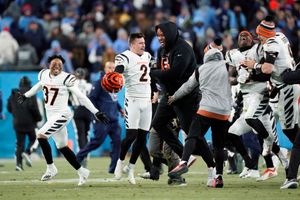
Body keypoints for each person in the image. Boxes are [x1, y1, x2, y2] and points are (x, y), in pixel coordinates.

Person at [17, 55, 109, 186]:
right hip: (51, 116)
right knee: (62, 147)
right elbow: (39, 85)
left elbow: (81, 97)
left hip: (62, 114)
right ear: (49, 65)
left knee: (41, 136)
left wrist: (96, 112)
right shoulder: (43, 74)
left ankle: (51, 168)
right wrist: (26, 95)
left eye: (59, 65)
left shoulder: (66, 78)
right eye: (54, 64)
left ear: (63, 67)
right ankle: (82, 171)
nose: (57, 67)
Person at [242, 17, 300, 189]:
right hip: (285, 85)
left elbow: (267, 69)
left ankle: (292, 174)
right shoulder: (281, 36)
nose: (258, 37)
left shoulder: (271, 43)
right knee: (291, 131)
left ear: (265, 33)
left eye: (260, 34)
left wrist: (254, 66)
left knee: (292, 132)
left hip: (287, 88)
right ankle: (293, 170)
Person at [168, 48, 232, 188]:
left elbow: (188, 87)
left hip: (207, 109)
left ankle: (183, 162)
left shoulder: (201, 69)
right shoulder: (227, 65)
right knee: (219, 147)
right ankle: (218, 177)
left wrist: (174, 96)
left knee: (192, 135)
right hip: (224, 111)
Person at [149, 21, 199, 179]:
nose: (160, 38)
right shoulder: (161, 51)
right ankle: (185, 155)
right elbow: (161, 73)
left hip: (185, 96)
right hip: (168, 95)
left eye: (162, 35)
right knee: (157, 124)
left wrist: (154, 73)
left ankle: (215, 164)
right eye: (157, 35)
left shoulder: (183, 48)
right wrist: (156, 84)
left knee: (191, 131)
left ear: (170, 33)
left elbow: (175, 73)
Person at [113, 33, 152, 184]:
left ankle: (131, 168)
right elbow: (119, 69)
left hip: (147, 101)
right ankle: (120, 162)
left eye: (144, 42)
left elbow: (151, 74)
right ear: (132, 44)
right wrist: (117, 73)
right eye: (140, 43)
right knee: (131, 136)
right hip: (133, 100)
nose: (143, 45)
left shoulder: (148, 56)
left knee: (142, 139)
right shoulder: (124, 56)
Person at [76, 62, 123, 173]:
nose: (111, 70)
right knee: (97, 141)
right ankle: (78, 156)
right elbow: (91, 99)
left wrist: (120, 109)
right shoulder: (99, 83)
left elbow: (114, 99)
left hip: (114, 119)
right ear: (104, 69)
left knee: (117, 143)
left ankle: (113, 168)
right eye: (109, 67)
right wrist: (95, 114)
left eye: (113, 68)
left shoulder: (114, 81)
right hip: (102, 118)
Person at [7, 76, 41, 171]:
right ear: (29, 84)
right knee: (33, 138)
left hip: (17, 122)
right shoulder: (31, 93)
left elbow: (9, 107)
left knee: (19, 144)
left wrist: (16, 114)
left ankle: (18, 165)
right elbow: (34, 108)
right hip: (29, 122)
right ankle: (27, 152)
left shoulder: (13, 94)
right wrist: (38, 118)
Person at [71, 68, 93, 151]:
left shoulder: (72, 84)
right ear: (84, 76)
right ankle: (85, 152)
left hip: (77, 109)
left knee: (80, 133)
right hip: (88, 109)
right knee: (86, 133)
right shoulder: (89, 85)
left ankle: (82, 152)